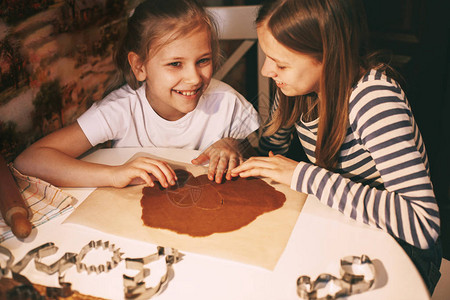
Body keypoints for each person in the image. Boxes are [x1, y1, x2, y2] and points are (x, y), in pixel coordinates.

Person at [231, 0, 442, 294]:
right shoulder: (296, 87)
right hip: (348, 225)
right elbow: (270, 153)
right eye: (268, 57)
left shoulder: (374, 99)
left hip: (402, 251)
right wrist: (234, 146)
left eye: (280, 63)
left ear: (328, 57)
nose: (267, 71)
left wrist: (303, 176)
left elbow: (422, 224)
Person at [14, 0, 259, 188]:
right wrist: (114, 174)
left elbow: (260, 160)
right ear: (140, 67)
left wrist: (235, 146)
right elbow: (30, 160)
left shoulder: (228, 104)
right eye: (175, 64)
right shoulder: (119, 110)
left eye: (203, 60)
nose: (194, 78)